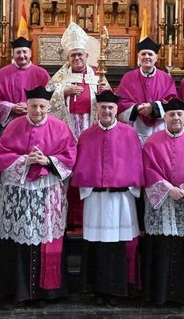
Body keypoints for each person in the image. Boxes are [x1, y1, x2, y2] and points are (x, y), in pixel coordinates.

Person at [0, 86, 77, 302]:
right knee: (19, 239)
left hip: (48, 189)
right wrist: (24, 160)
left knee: (46, 237)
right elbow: (2, 155)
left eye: (42, 106)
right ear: (27, 105)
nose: (38, 110)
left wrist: (47, 161)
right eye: (33, 106)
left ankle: (48, 291)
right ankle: (18, 289)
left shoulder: (60, 127)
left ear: (48, 107)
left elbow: (69, 157)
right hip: (20, 192)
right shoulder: (13, 126)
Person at [71, 90, 144, 303]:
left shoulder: (129, 133)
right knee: (97, 245)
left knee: (118, 245)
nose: (107, 111)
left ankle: (117, 289)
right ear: (97, 109)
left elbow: (136, 164)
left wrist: (127, 186)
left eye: (110, 108)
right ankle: (98, 289)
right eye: (103, 107)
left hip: (121, 199)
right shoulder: (86, 134)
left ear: (116, 110)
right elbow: (82, 165)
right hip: (96, 198)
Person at [142, 98, 184, 306]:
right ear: (165, 117)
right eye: (171, 114)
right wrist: (167, 189)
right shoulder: (152, 141)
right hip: (163, 203)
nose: (176, 118)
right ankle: (160, 295)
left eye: (179, 114)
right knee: (162, 247)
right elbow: (148, 169)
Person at [47, 22, 108, 139]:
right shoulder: (60, 76)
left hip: (91, 119)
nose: (77, 58)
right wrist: (63, 91)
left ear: (87, 56)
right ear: (67, 58)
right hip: (68, 121)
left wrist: (104, 91)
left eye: (80, 54)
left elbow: (110, 98)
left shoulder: (98, 74)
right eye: (73, 55)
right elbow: (46, 97)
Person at [118, 37, 178, 144]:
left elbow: (172, 102)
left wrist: (153, 108)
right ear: (138, 57)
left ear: (156, 58)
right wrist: (137, 108)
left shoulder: (166, 78)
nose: (146, 57)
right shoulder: (128, 77)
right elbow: (121, 102)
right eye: (143, 54)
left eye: (150, 54)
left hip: (159, 125)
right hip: (135, 124)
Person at [0, 37, 50, 128]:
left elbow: (50, 99)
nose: (22, 55)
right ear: (13, 54)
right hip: (10, 121)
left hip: (36, 119)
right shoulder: (2, 73)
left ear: (30, 53)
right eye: (18, 52)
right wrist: (11, 107)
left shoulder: (42, 73)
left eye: (24, 52)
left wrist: (31, 107)